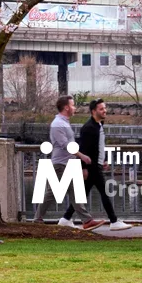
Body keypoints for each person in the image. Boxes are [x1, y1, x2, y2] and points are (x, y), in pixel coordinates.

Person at [32, 95, 103, 229]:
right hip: (60, 164)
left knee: (74, 192)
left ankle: (87, 221)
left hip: (68, 164)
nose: (75, 107)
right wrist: (82, 156)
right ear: (66, 107)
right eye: (73, 105)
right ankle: (37, 218)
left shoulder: (63, 122)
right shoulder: (57, 124)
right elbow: (66, 145)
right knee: (52, 193)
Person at [64, 99, 132, 231]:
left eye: (105, 108)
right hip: (92, 167)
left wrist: (103, 160)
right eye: (101, 109)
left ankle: (65, 218)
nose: (105, 110)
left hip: (97, 164)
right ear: (93, 111)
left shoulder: (99, 125)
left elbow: (98, 146)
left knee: (82, 193)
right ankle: (113, 221)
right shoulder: (88, 128)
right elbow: (84, 149)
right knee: (104, 192)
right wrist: (83, 168)